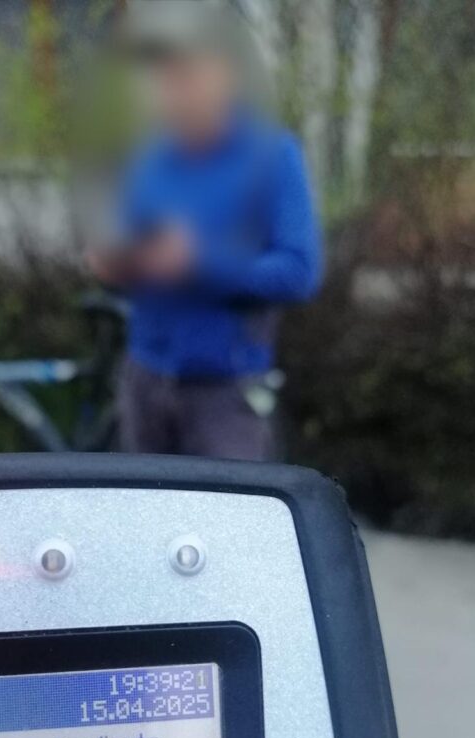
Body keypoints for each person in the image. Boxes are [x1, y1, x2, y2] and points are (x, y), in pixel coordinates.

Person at [87, 0, 323, 460]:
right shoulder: (150, 157)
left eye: (187, 74)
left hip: (226, 392)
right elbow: (136, 251)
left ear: (226, 74)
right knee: (143, 504)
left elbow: (299, 271)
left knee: (230, 508)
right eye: (165, 76)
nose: (174, 90)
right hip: (144, 379)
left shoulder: (272, 156)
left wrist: (200, 263)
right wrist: (115, 264)